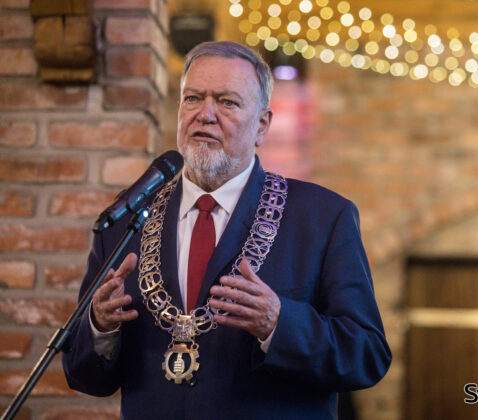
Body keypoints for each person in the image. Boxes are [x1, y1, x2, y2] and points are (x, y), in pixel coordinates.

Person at [62, 41, 391, 420]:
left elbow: (366, 355)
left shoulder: (322, 218)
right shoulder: (128, 218)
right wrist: (99, 327)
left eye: (227, 102)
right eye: (193, 98)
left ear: (262, 125)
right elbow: (83, 375)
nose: (205, 114)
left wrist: (279, 324)